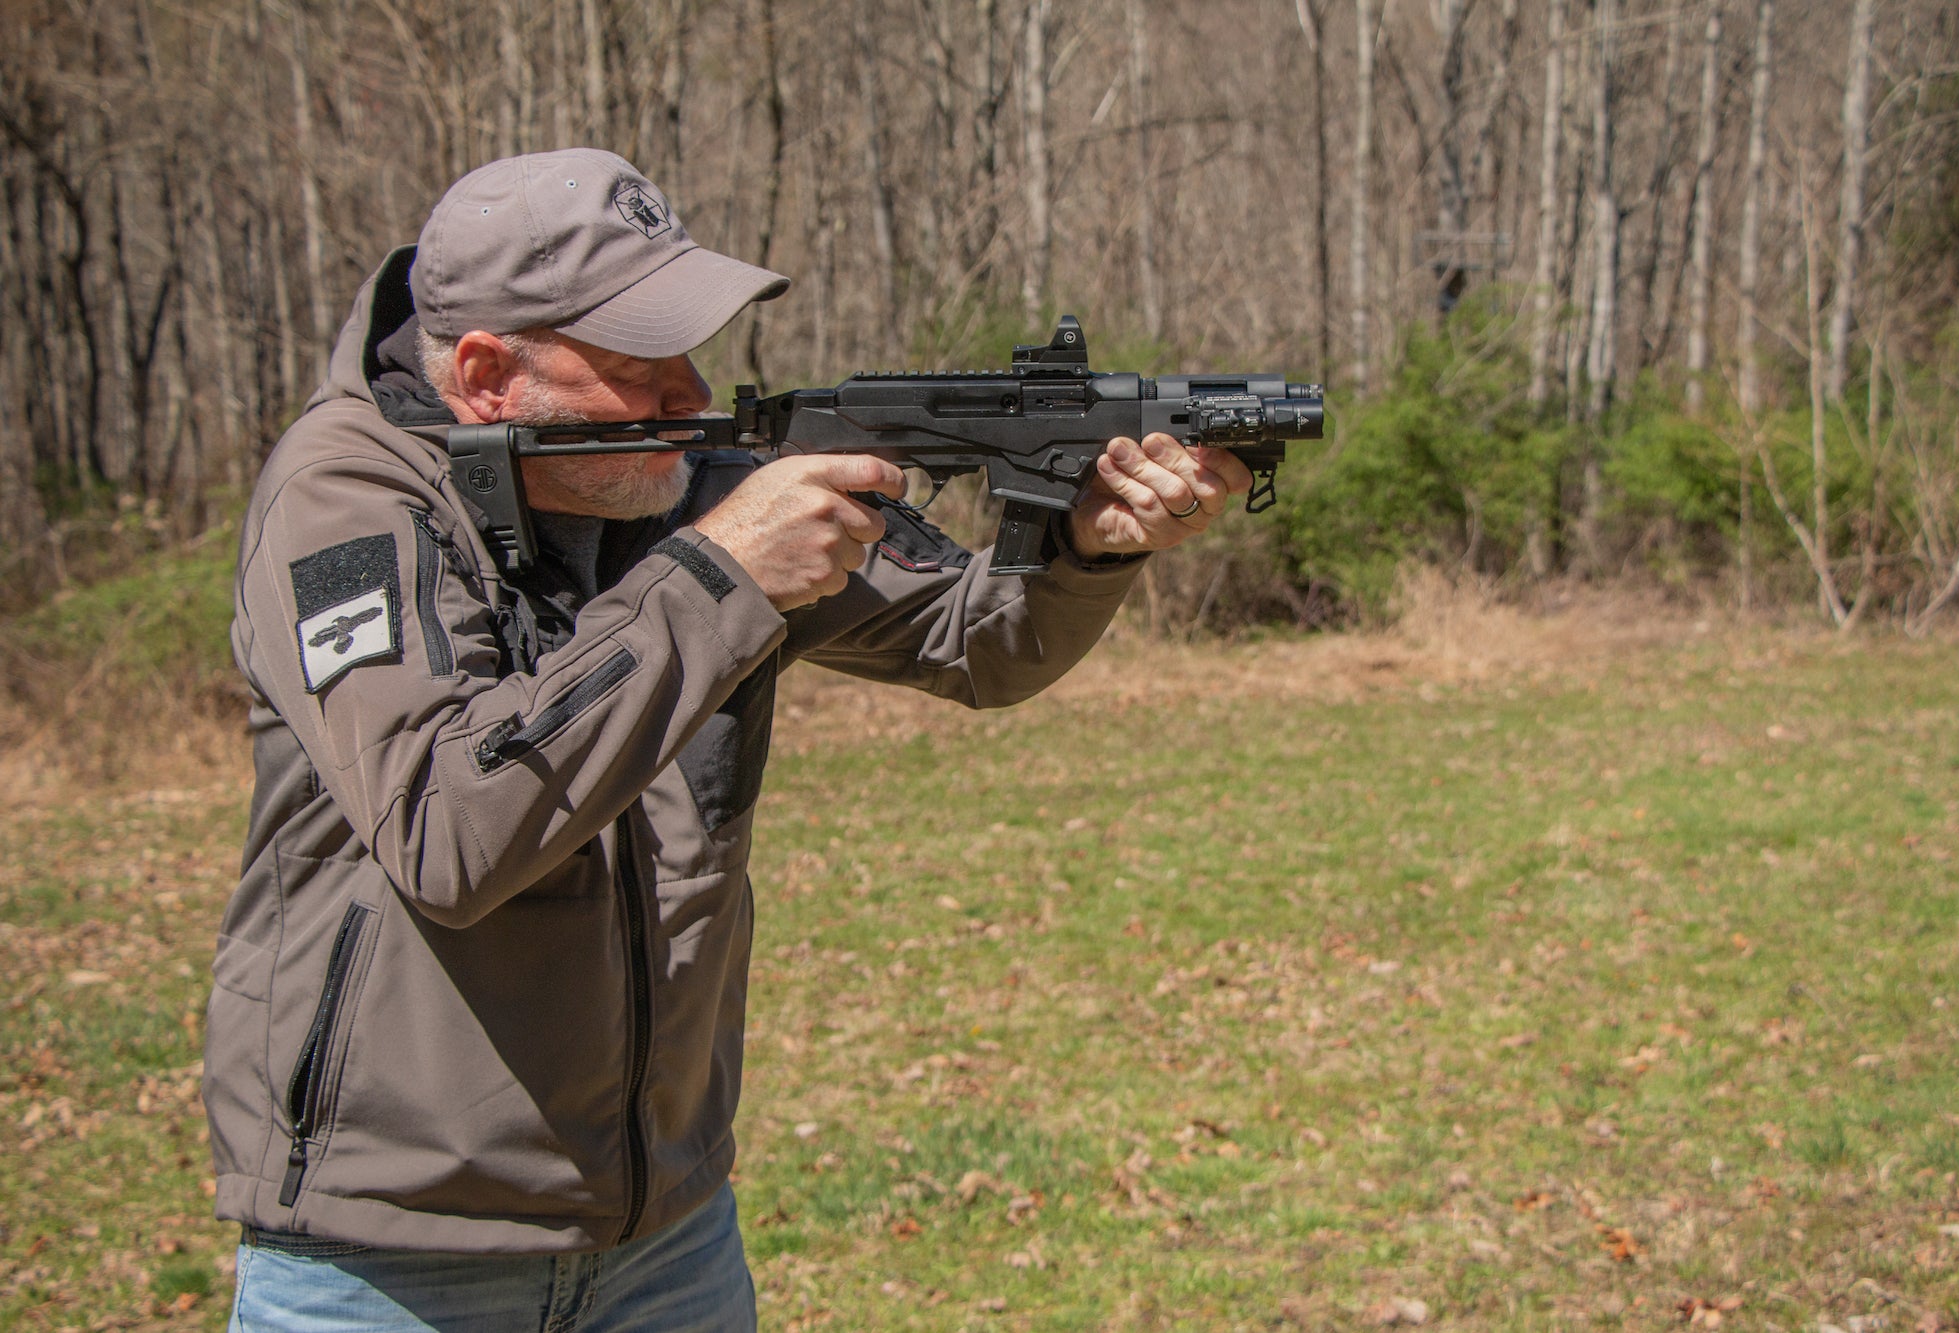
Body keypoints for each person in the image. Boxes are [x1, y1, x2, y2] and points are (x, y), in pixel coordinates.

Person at [206, 147, 1249, 1330]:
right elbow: (449, 829)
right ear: (488, 374)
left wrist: (1087, 549)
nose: (685, 391)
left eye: (686, 351)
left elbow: (975, 642)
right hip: (392, 1260)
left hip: (666, 1233)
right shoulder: (343, 502)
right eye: (636, 363)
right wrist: (721, 575)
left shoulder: (688, 478)